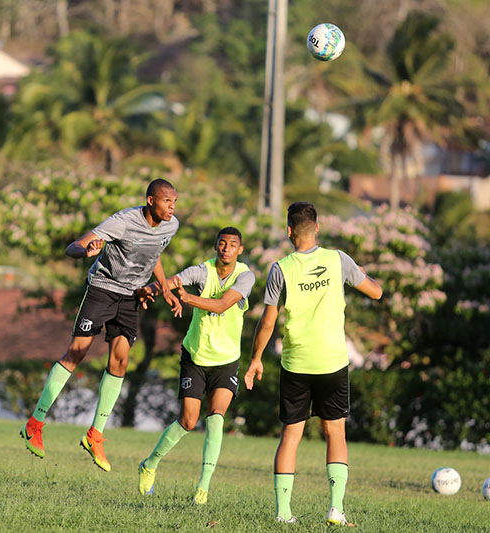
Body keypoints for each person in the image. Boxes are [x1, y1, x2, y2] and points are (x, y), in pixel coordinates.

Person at [20, 179, 182, 472]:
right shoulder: (122, 221)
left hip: (131, 296)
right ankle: (35, 423)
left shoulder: (171, 226)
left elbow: (154, 254)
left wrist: (164, 290)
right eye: (167, 201)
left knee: (120, 362)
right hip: (103, 289)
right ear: (150, 201)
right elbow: (73, 247)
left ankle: (95, 435)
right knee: (76, 353)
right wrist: (86, 252)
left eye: (174, 202)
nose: (172, 207)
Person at [243, 202, 383, 526]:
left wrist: (255, 360)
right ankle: (336, 508)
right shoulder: (338, 260)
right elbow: (375, 292)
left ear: (288, 230)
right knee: (335, 433)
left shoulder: (281, 268)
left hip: (296, 363)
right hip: (333, 361)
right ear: (316, 227)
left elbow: (267, 322)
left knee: (290, 435)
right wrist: (363, 274)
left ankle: (282, 513)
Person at [137, 226, 255, 505]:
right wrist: (152, 289)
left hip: (226, 361)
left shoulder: (245, 276)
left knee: (216, 417)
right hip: (196, 357)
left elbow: (222, 305)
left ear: (240, 250)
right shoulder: (203, 270)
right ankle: (150, 464)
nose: (226, 248)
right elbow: (176, 279)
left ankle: (202, 490)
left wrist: (187, 298)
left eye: (232, 244)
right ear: (216, 247)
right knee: (189, 421)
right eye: (222, 243)